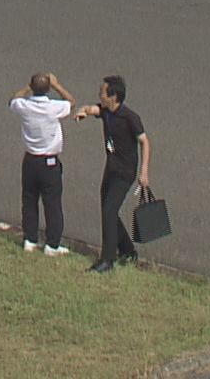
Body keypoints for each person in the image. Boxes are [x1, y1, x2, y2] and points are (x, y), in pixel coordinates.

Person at [73, 74, 149, 273]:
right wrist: (83, 111)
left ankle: (107, 260)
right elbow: (93, 109)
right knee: (109, 211)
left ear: (114, 97)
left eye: (103, 93)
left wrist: (144, 172)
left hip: (125, 173)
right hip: (111, 169)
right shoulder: (107, 112)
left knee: (108, 211)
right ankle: (128, 251)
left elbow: (145, 142)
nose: (100, 96)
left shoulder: (130, 118)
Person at [9, 72, 75, 256]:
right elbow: (71, 102)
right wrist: (57, 85)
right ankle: (52, 244)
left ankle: (30, 239)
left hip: (30, 160)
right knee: (52, 203)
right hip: (49, 162)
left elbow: (13, 99)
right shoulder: (53, 107)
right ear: (47, 88)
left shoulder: (23, 105)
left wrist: (27, 87)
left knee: (29, 200)